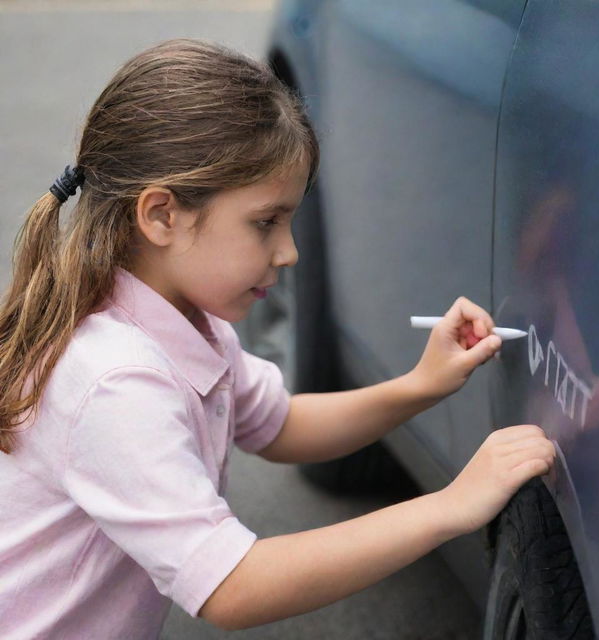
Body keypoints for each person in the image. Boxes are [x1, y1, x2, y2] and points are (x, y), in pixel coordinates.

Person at [0, 39, 555, 638]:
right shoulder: (116, 382)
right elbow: (233, 587)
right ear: (161, 215)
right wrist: (449, 507)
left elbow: (281, 425)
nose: (289, 252)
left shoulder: (183, 320)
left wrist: (420, 386)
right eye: (265, 222)